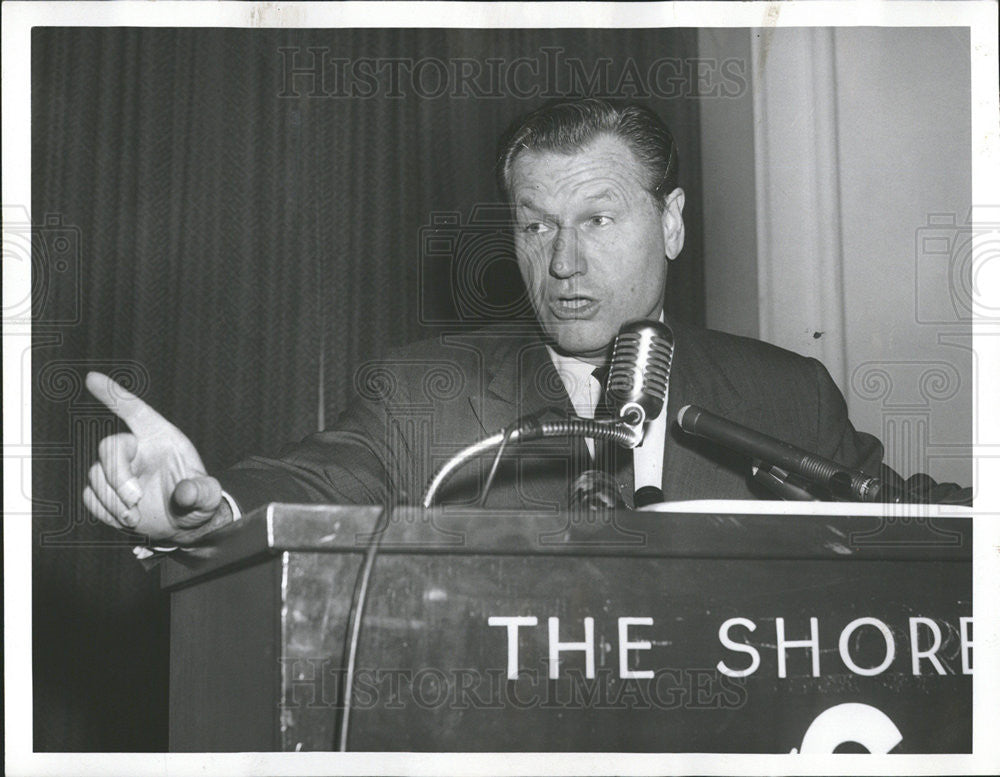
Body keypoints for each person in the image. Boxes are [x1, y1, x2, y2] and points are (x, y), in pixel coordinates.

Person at [82, 98, 914, 546]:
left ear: (670, 223)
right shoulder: (424, 392)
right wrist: (204, 506)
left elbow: (915, 524)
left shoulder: (788, 393)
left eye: (596, 220)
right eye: (534, 225)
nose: (562, 263)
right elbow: (313, 482)